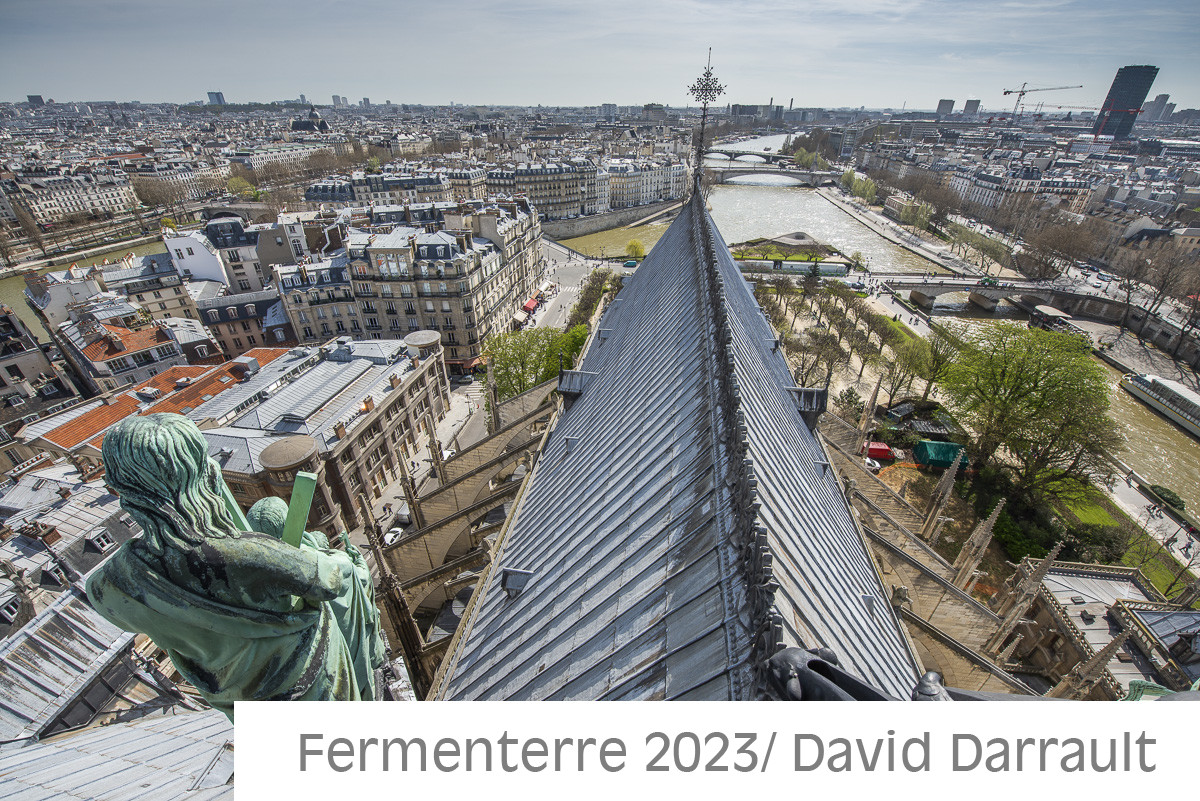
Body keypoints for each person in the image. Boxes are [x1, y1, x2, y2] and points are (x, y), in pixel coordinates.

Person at [86, 414, 362, 719]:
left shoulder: (108, 584)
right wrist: (333, 555)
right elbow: (333, 579)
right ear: (203, 474)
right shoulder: (248, 554)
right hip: (309, 691)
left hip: (240, 704)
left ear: (119, 489)